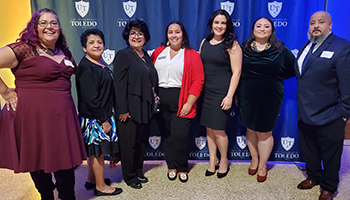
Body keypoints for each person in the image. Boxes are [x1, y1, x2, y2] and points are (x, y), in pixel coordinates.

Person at [0, 8, 86, 199]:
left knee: (65, 165)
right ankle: (46, 196)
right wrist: (5, 92)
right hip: (32, 117)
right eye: (43, 23)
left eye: (54, 23)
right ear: (35, 28)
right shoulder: (25, 49)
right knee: (38, 160)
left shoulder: (63, 50)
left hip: (62, 118)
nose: (49, 26)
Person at [295, 11, 350, 200]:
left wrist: (344, 111)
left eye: (320, 22)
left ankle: (328, 186)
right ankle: (313, 176)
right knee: (309, 149)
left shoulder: (342, 47)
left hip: (331, 113)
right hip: (305, 111)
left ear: (330, 25)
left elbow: (347, 83)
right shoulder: (305, 47)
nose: (315, 26)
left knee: (331, 153)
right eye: (312, 23)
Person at [236, 17, 295, 182]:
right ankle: (254, 160)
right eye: (258, 26)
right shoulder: (243, 48)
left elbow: (292, 69)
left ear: (272, 30)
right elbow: (235, 71)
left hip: (271, 96)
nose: (262, 29)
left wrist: (273, 79)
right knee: (250, 128)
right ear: (253, 29)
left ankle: (263, 165)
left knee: (264, 131)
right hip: (246, 95)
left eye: (266, 26)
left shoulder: (281, 50)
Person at [151, 21, 204, 182]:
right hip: (160, 100)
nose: (174, 35)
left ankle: (182, 167)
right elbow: (149, 73)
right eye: (170, 32)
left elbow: (198, 81)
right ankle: (171, 166)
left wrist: (189, 103)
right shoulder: (158, 52)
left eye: (177, 32)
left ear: (183, 35)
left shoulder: (192, 54)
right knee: (166, 135)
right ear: (167, 35)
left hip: (182, 99)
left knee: (180, 136)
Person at [76, 28, 122, 196]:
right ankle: (101, 186)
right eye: (91, 43)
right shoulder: (87, 67)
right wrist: (104, 120)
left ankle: (92, 179)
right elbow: (91, 98)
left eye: (99, 42)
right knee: (97, 153)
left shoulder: (98, 63)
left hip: (98, 115)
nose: (96, 45)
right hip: (94, 118)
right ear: (84, 47)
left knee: (93, 152)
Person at [113, 19, 158, 189]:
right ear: (127, 36)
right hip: (129, 109)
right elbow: (119, 85)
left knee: (141, 142)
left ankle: (138, 170)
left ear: (145, 37)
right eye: (133, 33)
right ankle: (129, 176)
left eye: (140, 33)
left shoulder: (145, 56)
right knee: (129, 145)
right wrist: (123, 110)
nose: (136, 36)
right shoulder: (124, 55)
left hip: (144, 107)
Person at [199, 9, 242, 179]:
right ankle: (212, 160)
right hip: (205, 92)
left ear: (227, 26)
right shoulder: (205, 42)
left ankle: (224, 161)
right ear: (211, 24)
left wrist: (230, 95)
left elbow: (237, 72)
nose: (219, 26)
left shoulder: (232, 45)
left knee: (219, 130)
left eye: (223, 23)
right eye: (216, 22)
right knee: (209, 128)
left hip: (222, 92)